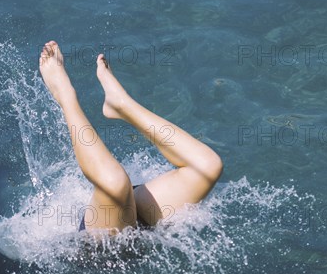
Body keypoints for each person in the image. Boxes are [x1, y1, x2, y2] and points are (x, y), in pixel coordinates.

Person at [39, 41, 223, 235]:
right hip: (120, 236)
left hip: (105, 243)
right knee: (209, 165)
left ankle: (92, 99)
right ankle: (104, 101)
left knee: (116, 183)